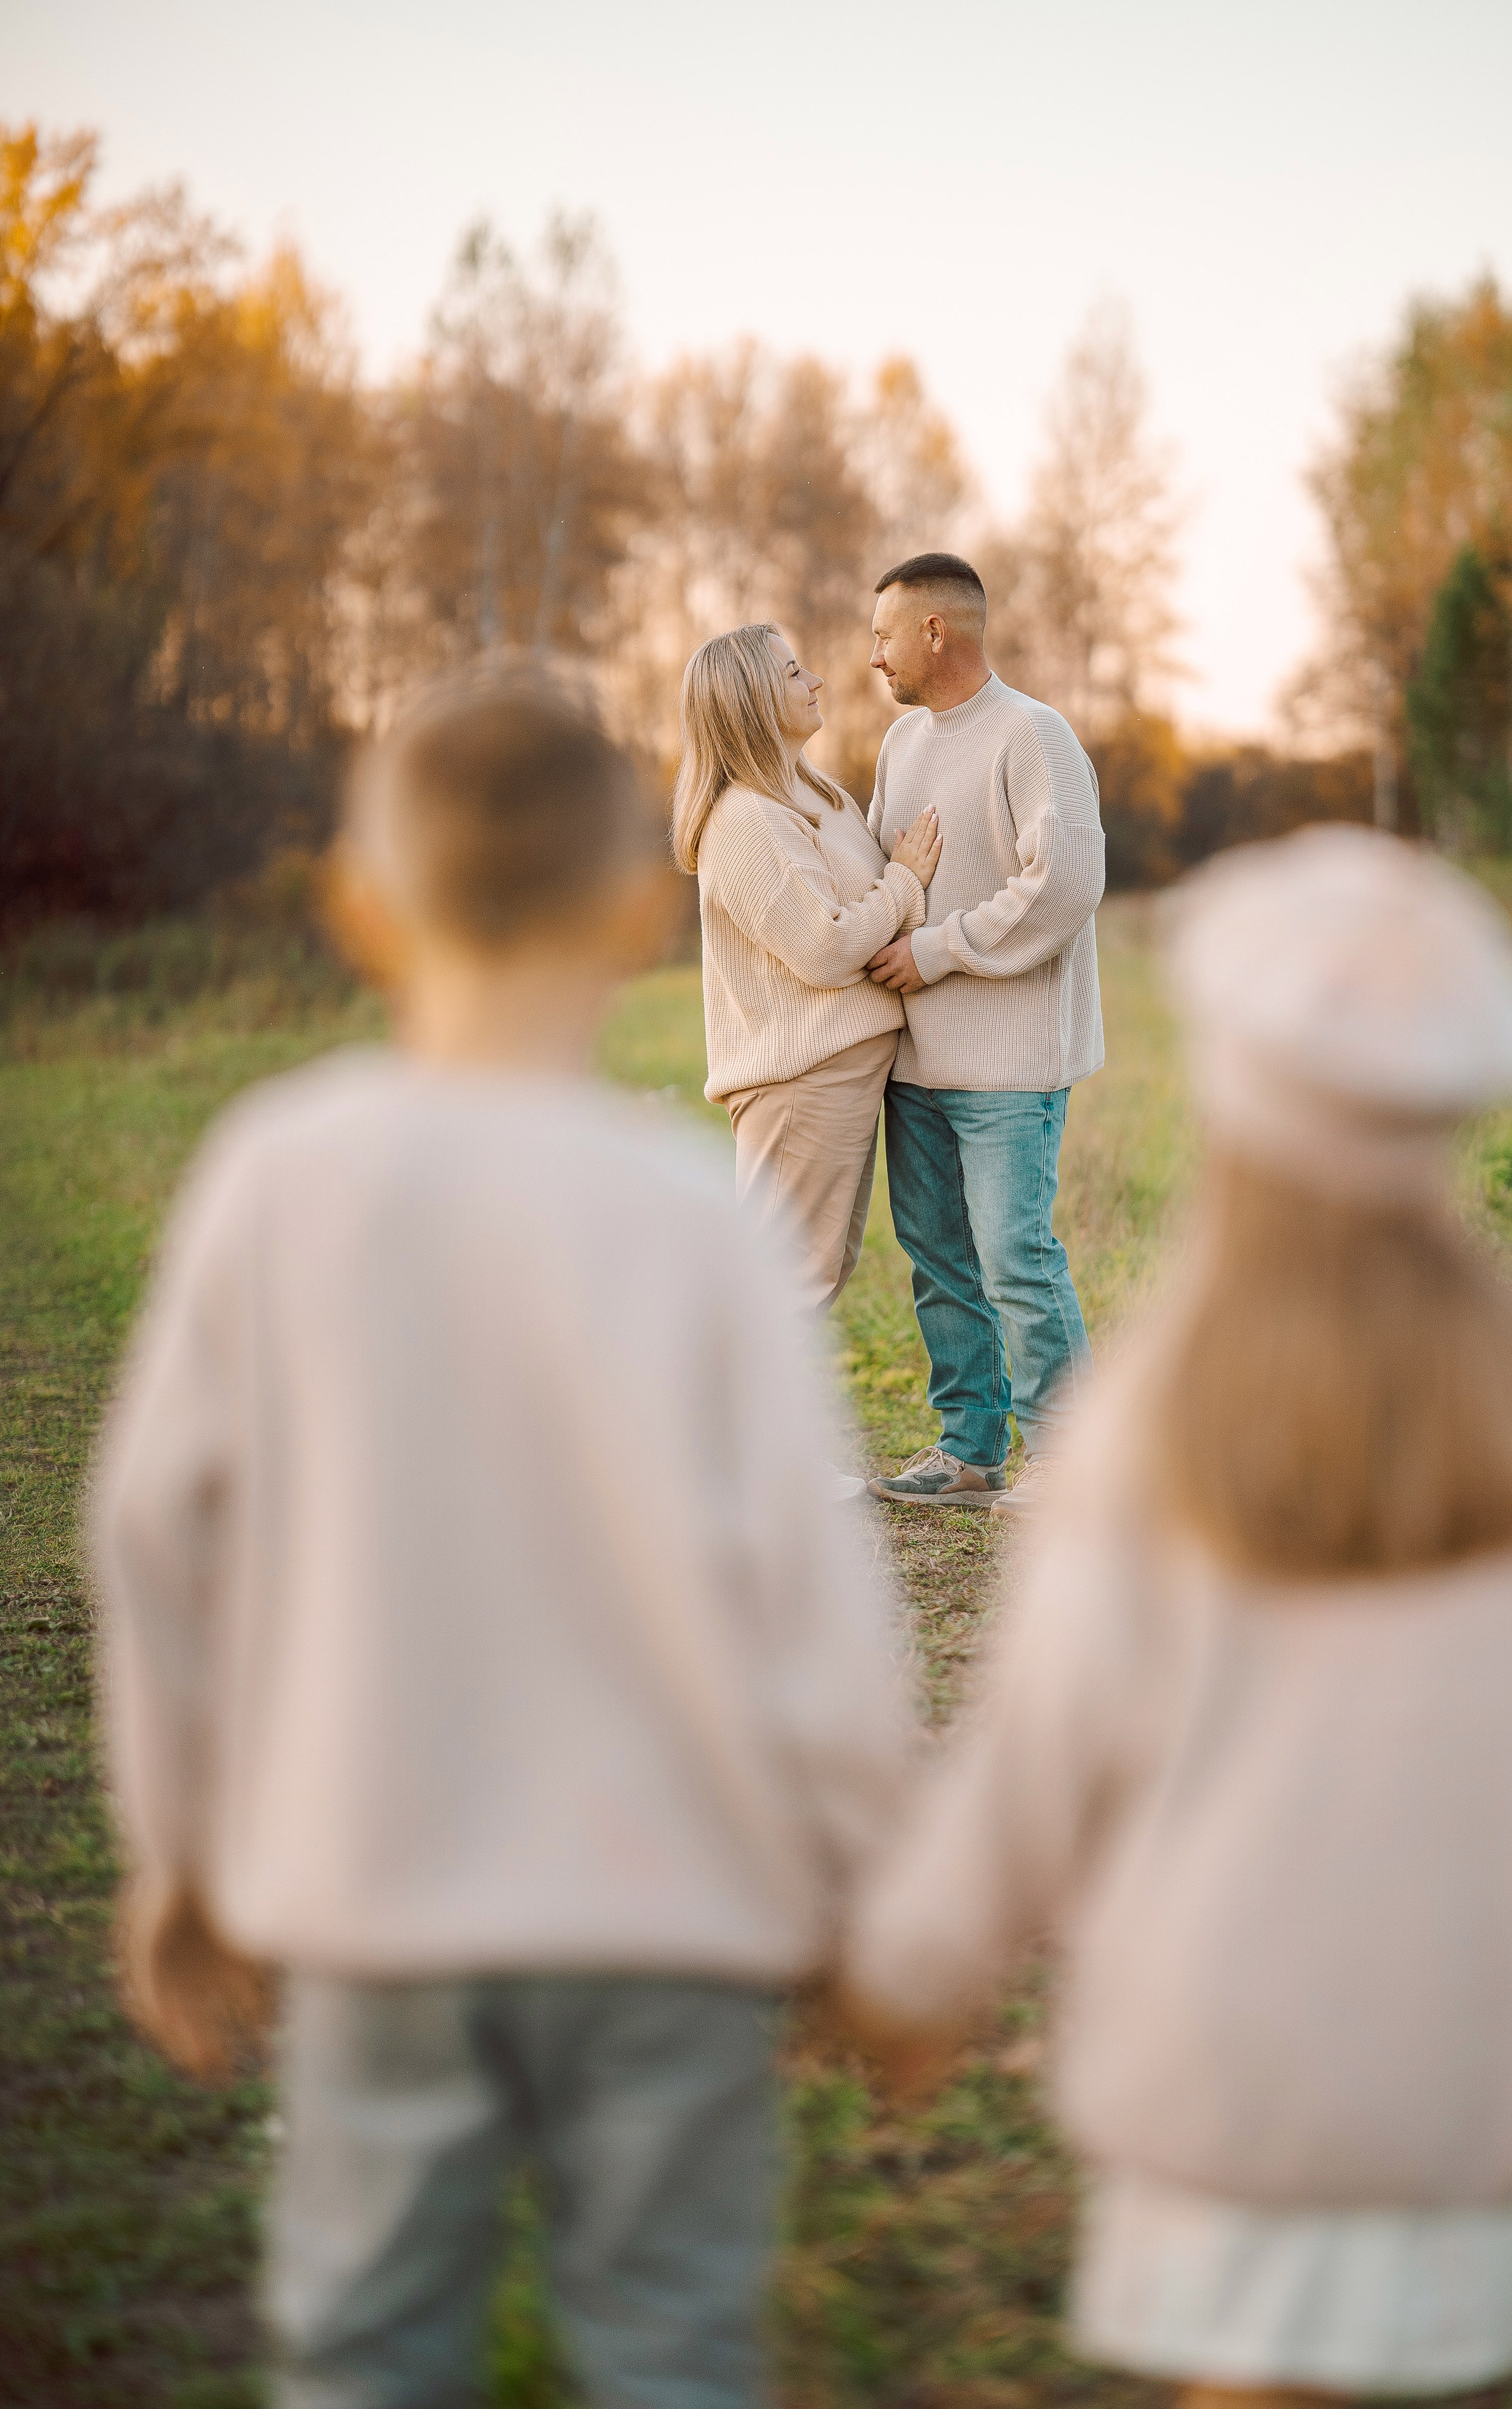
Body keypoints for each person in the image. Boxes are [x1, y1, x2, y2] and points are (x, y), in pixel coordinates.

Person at [95, 653, 916, 2409]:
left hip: (377, 1899)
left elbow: (154, 1543)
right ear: (638, 911)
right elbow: (813, 1595)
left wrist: (179, 1848)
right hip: (682, 1911)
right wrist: (863, 1885)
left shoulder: (277, 1177)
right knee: (672, 2346)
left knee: (368, 2349)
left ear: (357, 910)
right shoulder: (696, 1222)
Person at [841, 824, 1512, 2409]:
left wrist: (916, 1961)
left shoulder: (1150, 1423)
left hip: (1227, 2060)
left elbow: (1036, 1749)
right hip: (1487, 2057)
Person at [862, 553, 1105, 1518]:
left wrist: (939, 950)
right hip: (915, 1059)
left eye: (883, 633)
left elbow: (1066, 885)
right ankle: (970, 1449)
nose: (872, 654)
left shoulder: (1031, 734)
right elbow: (881, 865)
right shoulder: (899, 746)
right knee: (940, 1262)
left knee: (1015, 1255)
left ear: (936, 630)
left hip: (1008, 1062)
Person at [674, 621, 942, 1322]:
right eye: (793, 673)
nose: (816, 680)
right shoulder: (746, 820)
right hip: (801, 1083)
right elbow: (825, 948)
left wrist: (899, 906)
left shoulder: (816, 794)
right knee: (783, 1289)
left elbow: (867, 916)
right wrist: (906, 886)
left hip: (841, 1074)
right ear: (751, 700)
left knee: (811, 1276)